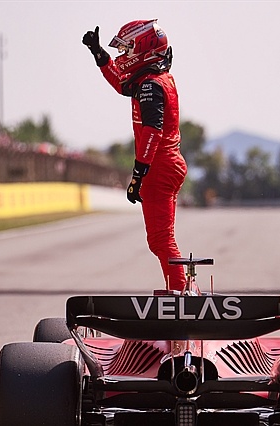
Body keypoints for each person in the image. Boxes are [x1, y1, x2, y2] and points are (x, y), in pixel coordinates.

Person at [82, 20, 187, 292]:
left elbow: (153, 131)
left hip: (159, 167)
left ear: (144, 49)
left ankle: (181, 295)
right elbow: (121, 84)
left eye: (127, 49)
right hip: (168, 164)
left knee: (161, 240)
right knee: (162, 239)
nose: (123, 54)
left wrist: (138, 175)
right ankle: (183, 291)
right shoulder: (154, 79)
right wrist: (99, 55)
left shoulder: (151, 85)